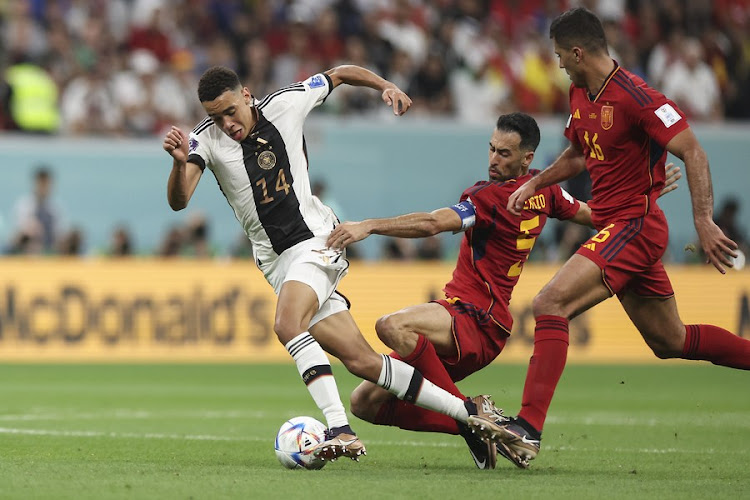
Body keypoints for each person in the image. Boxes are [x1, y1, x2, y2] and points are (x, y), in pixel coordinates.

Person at [162, 64, 504, 464]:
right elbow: (179, 200)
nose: (226, 123)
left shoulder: (286, 105)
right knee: (363, 362)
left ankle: (340, 428)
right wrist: (177, 162)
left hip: (316, 242)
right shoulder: (204, 141)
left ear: (247, 95)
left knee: (287, 325)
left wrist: (384, 84)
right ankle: (470, 416)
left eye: (230, 110)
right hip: (278, 265)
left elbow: (339, 74)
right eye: (215, 116)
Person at [326, 111, 680, 469]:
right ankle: (473, 426)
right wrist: (641, 197)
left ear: (528, 158)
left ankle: (467, 414)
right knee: (364, 402)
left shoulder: (488, 198)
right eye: (492, 149)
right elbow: (595, 214)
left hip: (470, 317)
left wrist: (369, 225)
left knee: (392, 326)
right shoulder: (548, 192)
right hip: (483, 331)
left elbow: (434, 223)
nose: (494, 159)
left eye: (505, 153)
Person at [485, 7, 748, 469]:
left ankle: (526, 428)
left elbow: (693, 151)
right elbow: (578, 154)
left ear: (579, 51)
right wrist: (535, 182)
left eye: (561, 56)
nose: (559, 64)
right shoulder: (580, 92)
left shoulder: (639, 97)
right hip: (617, 227)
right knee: (670, 340)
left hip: (634, 226)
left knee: (549, 305)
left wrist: (704, 220)